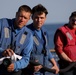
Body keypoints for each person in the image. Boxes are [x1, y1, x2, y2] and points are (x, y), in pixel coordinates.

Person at [23, 4, 59, 75]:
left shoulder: (44, 32)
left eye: (42, 18)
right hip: (29, 72)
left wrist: (55, 65)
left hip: (43, 71)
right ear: (32, 17)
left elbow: (47, 51)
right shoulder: (25, 32)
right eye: (36, 17)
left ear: (45, 18)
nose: (39, 20)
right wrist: (29, 66)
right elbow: (19, 53)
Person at [0, 5, 33, 75]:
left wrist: (15, 66)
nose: (22, 20)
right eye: (20, 16)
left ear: (29, 19)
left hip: (14, 71)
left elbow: (26, 59)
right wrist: (2, 52)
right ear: (16, 14)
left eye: (25, 18)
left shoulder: (28, 36)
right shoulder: (2, 24)